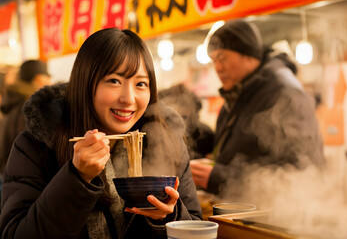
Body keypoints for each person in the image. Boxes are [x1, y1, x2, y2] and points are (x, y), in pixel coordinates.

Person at [0, 28, 201, 238]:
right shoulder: (36, 146)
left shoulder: (167, 140)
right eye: (114, 81)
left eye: (141, 84)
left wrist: (168, 217)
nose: (129, 98)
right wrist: (77, 177)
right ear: (86, 84)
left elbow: (197, 228)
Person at [190, 19, 325, 196]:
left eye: (222, 58)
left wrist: (219, 178)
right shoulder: (238, 96)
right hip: (242, 212)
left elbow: (301, 171)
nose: (218, 68)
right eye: (214, 61)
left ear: (248, 54)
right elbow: (238, 149)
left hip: (280, 217)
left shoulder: (284, 93)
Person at [0, 60, 51, 174]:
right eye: (47, 78)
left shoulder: (12, 102)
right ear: (38, 79)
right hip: (23, 177)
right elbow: (32, 148)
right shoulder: (30, 106)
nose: (49, 82)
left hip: (7, 174)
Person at [158, 84, 214, 159]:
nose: (177, 122)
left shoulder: (204, 133)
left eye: (183, 117)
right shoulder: (156, 132)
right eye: (169, 117)